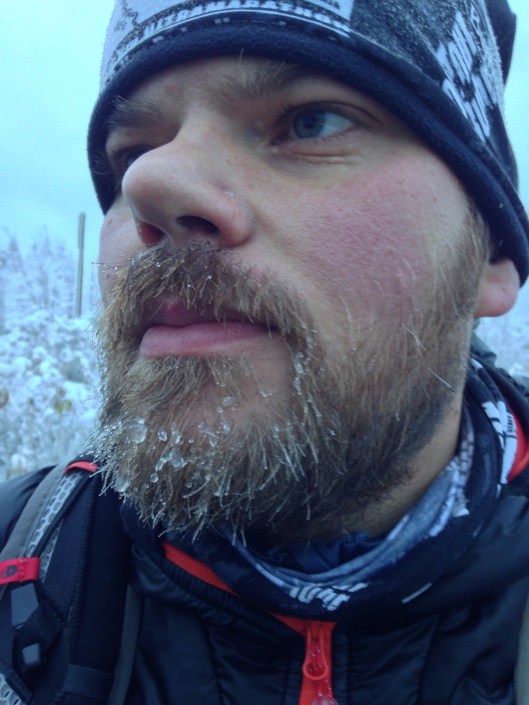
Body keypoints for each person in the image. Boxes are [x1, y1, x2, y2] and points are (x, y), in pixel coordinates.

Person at [1, 0, 529, 703]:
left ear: (489, 252)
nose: (149, 184)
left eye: (311, 121)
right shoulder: (19, 559)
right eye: (131, 153)